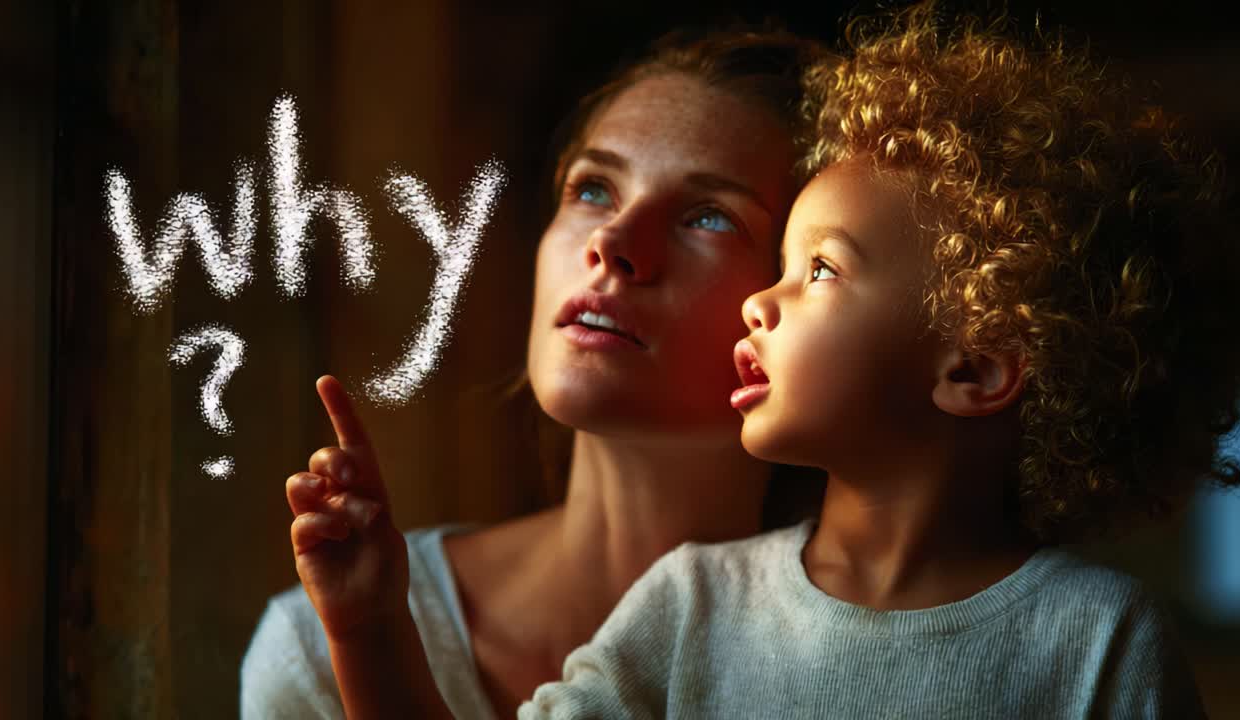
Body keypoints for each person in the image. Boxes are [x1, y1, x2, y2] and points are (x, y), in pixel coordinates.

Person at [507, 4, 1240, 717]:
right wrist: (380, 618)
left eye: (820, 271)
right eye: (780, 267)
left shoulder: (1102, 641)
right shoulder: (689, 603)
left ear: (974, 369)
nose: (757, 304)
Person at [240, 27, 826, 719]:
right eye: (594, 190)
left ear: (814, 295)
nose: (611, 244)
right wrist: (371, 642)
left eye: (708, 217)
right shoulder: (317, 654)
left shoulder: (885, 652)